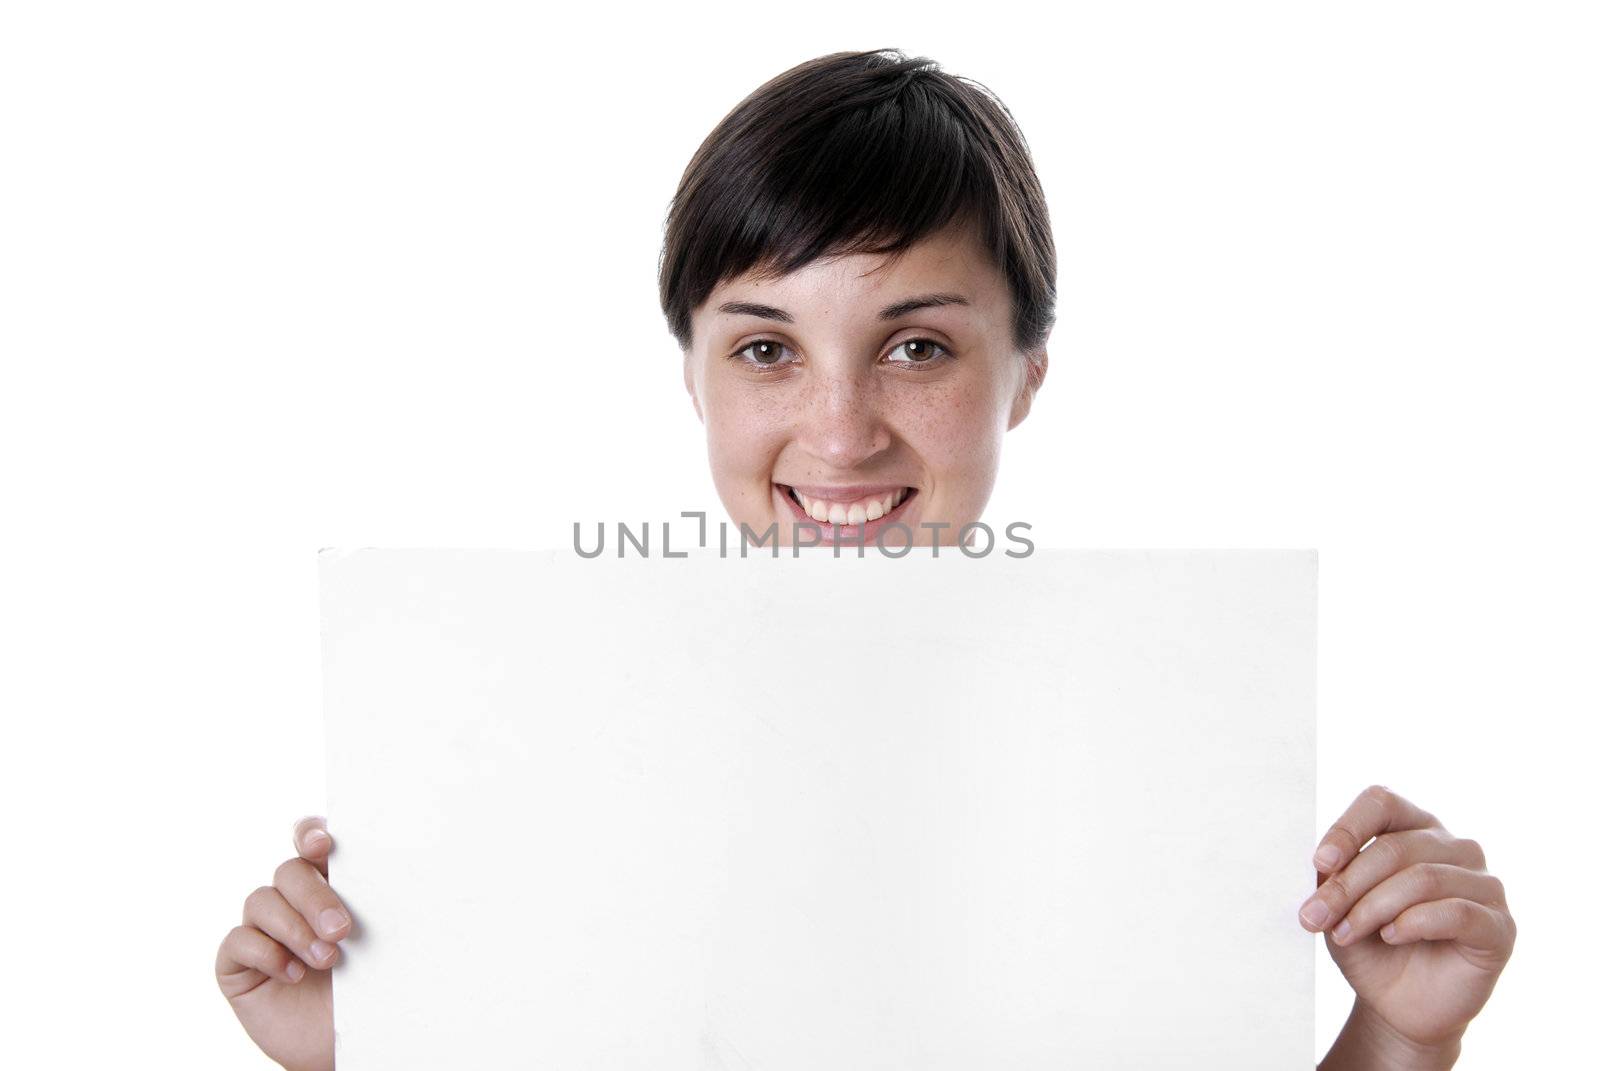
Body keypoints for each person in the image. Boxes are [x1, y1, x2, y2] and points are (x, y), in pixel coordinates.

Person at [215, 49, 1516, 1069]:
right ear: (696, 382)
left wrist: (1400, 1040)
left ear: (1025, 378)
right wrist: (372, 1048)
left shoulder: (1176, 781)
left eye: (917, 345)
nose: (838, 432)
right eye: (767, 349)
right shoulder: (511, 764)